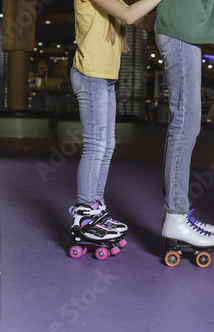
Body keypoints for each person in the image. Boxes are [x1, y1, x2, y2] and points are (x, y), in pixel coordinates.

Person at [68, 0, 161, 260]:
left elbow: (144, 23)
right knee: (96, 145)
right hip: (90, 74)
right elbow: (131, 16)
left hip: (106, 77)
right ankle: (85, 214)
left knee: (107, 146)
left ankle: (95, 209)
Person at [153, 0, 214, 265]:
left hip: (183, 28)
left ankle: (178, 214)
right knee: (185, 122)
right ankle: (176, 216)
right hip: (179, 29)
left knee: (187, 122)